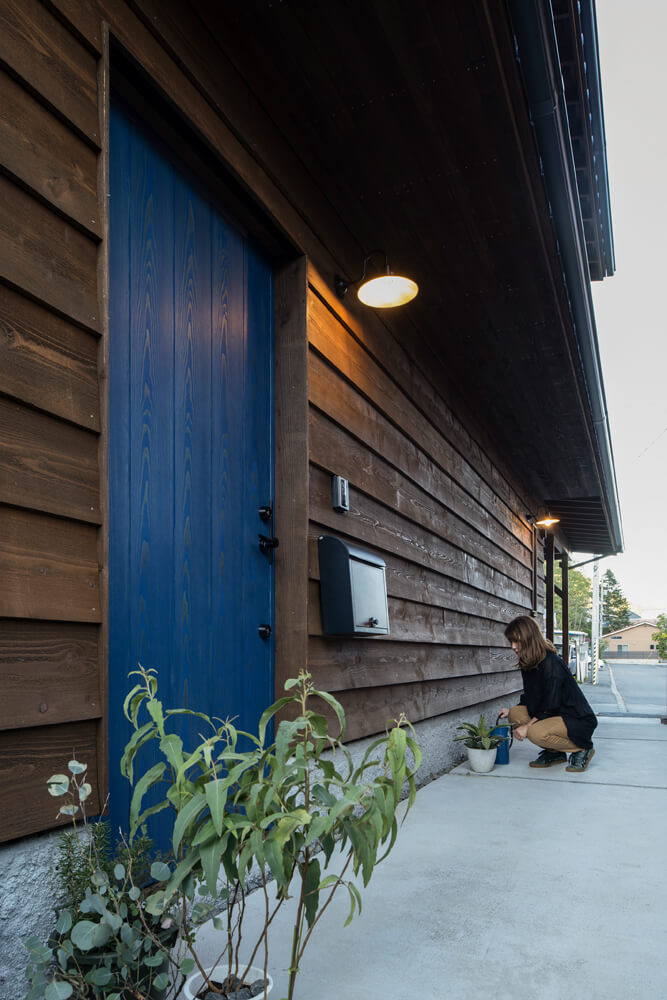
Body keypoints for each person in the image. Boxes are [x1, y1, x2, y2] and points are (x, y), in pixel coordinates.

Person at [498, 615, 597, 772]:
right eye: (511, 642)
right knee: (516, 714)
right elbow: (531, 697)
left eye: (516, 641)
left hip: (574, 718)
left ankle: (582, 748)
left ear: (529, 639)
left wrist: (527, 727)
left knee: (535, 732)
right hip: (553, 714)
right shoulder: (528, 662)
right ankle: (555, 753)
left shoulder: (552, 664)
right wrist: (511, 711)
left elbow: (551, 706)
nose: (513, 646)